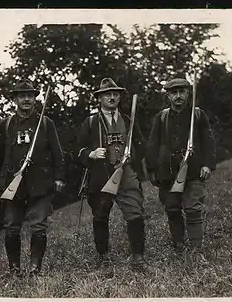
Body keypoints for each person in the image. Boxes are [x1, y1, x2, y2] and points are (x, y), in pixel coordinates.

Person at [0, 79, 66, 277]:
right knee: (12, 227)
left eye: (30, 96)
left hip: (40, 184)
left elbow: (57, 152)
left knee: (39, 227)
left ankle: (34, 269)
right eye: (22, 96)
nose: (26, 100)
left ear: (35, 99)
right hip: (13, 185)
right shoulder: (5, 125)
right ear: (14, 99)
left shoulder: (45, 123)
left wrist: (59, 177)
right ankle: (14, 269)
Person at [76, 78, 148, 272]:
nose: (112, 97)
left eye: (115, 94)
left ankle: (138, 258)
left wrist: (131, 154)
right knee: (100, 216)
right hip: (101, 175)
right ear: (99, 98)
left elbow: (141, 146)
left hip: (126, 174)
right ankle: (104, 257)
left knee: (135, 214)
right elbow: (77, 149)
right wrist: (91, 154)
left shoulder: (128, 120)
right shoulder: (91, 122)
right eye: (108, 94)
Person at [145, 77, 216, 264]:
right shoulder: (161, 117)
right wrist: (152, 169)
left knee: (193, 209)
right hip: (167, 173)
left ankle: (196, 249)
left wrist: (207, 164)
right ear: (168, 96)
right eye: (173, 92)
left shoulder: (198, 115)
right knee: (172, 209)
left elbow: (208, 142)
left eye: (182, 91)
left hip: (193, 171)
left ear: (188, 93)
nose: (178, 96)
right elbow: (152, 144)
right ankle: (178, 246)